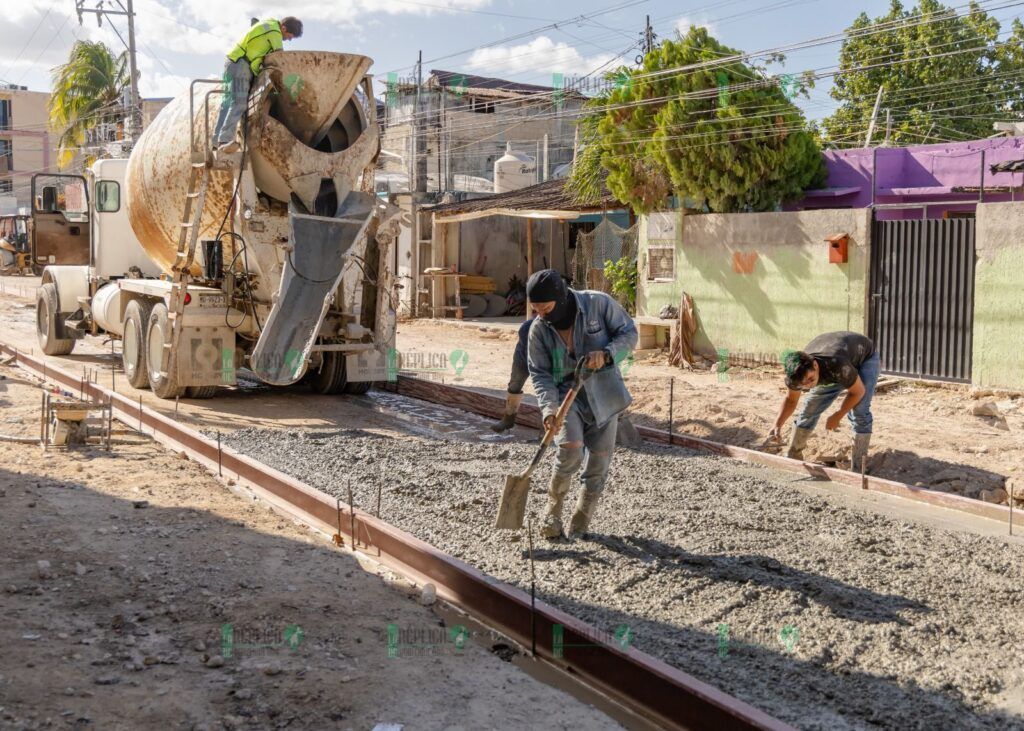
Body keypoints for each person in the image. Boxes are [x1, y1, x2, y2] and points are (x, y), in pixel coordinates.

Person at [526, 270, 637, 540]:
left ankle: (581, 520)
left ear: (561, 299)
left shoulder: (598, 304)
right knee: (569, 450)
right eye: (535, 309)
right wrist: (549, 410)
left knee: (598, 462)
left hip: (604, 393)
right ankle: (552, 515)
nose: (541, 315)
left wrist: (609, 353)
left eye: (546, 308)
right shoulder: (538, 331)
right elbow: (540, 374)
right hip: (566, 396)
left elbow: (629, 333)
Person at [769, 331, 880, 472]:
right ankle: (794, 454)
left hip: (864, 357)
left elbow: (858, 392)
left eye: (810, 379)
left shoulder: (837, 365)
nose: (809, 386)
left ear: (815, 365)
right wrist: (777, 424)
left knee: (860, 409)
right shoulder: (796, 376)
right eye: (804, 384)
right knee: (810, 407)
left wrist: (838, 415)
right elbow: (791, 401)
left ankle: (859, 467)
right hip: (838, 363)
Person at [212, 17, 303, 153]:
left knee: (227, 104)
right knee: (239, 103)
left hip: (232, 62)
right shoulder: (274, 31)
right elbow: (280, 59)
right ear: (283, 28)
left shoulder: (267, 25)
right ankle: (224, 141)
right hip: (241, 64)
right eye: (290, 36)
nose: (289, 39)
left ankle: (215, 143)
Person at [491, 316, 534, 432]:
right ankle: (508, 419)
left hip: (549, 356)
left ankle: (544, 430)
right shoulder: (527, 328)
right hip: (524, 354)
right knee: (515, 383)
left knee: (548, 390)